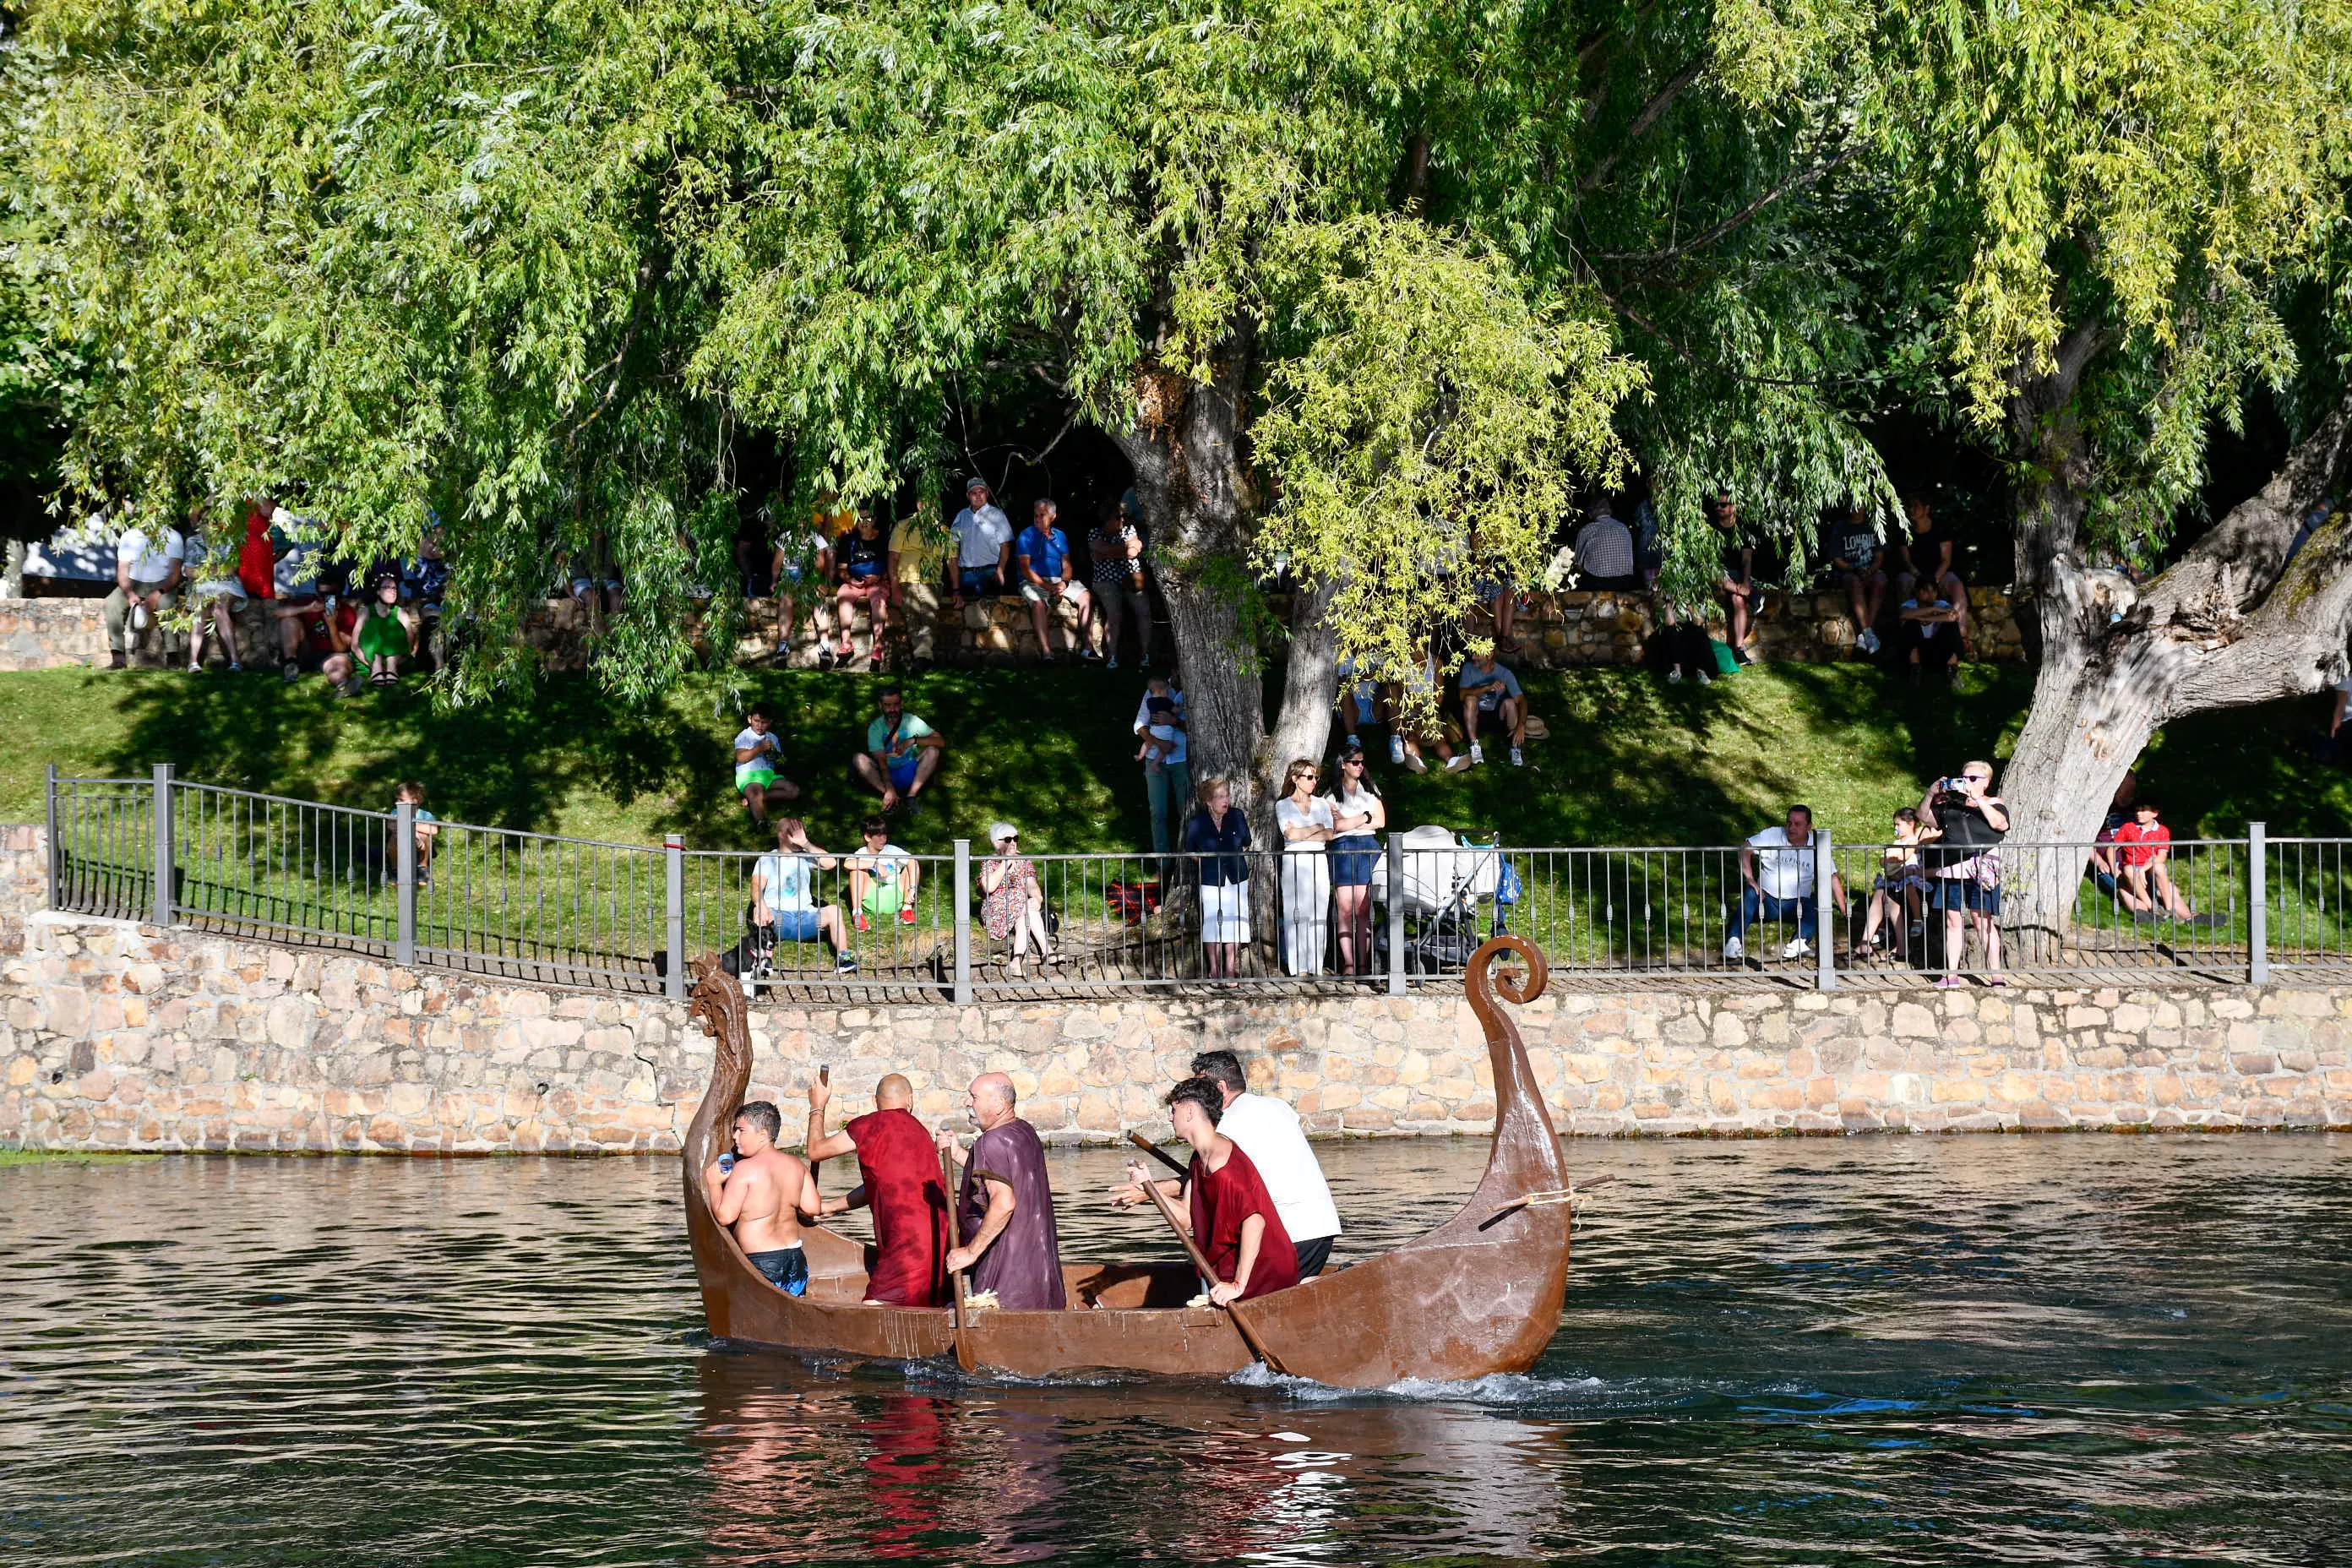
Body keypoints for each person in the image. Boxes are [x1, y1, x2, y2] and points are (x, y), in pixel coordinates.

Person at [1123, 1076, 1298, 1304]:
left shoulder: (1223, 1164)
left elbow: (1255, 1222)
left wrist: (1238, 1285)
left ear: (1190, 1111)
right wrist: (1149, 1187)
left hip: (1262, 1276)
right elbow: (1185, 1219)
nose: (1170, 1117)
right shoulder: (1199, 1158)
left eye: (1173, 1110)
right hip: (1224, 1272)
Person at [803, 1072, 949, 1307]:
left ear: (874, 1102)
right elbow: (878, 1184)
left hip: (907, 1249)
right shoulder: (921, 1132)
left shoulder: (870, 1125)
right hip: (942, 1243)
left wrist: (817, 1106)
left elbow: (816, 1151)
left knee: (873, 1309)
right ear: (910, 1101)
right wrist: (831, 1207)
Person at [937, 1072, 1066, 1310]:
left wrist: (970, 1252)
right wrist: (956, 1154)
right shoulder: (1024, 1132)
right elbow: (998, 1176)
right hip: (1039, 1277)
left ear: (998, 1105)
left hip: (1007, 1279)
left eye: (973, 1097)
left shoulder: (990, 1141)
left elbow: (1004, 1202)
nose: (967, 1103)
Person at [702, 1099, 816, 1296]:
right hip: (796, 1259)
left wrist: (713, 1183)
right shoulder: (797, 1165)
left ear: (763, 1134)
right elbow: (813, 1208)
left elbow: (725, 1216)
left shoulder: (745, 1169)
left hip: (763, 1263)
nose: (735, 1137)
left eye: (741, 1131)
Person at [1919, 760, 2009, 988]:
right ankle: (1951, 975)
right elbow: (1923, 816)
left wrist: (1977, 800)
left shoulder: (1994, 803)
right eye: (1963, 777)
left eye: (1973, 779)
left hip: (1981, 871)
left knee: (1982, 921)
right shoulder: (1951, 805)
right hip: (1951, 870)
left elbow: (2001, 825)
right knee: (1952, 921)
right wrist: (1931, 793)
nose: (1966, 782)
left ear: (1986, 782)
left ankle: (1996, 976)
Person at [1723, 804, 1848, 963]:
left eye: (1798, 824)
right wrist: (1750, 879)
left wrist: (1844, 909)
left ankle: (1798, 942)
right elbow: (1745, 848)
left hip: (1797, 904)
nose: (1791, 828)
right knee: (1750, 893)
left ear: (1809, 827)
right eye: (1789, 823)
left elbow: (1832, 877)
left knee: (1817, 903)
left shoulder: (1817, 845)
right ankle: (1733, 942)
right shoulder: (1773, 834)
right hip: (1767, 900)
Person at [749, 819, 855, 976]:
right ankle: (761, 960)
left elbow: (831, 863)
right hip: (777, 918)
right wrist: (761, 904)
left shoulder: (806, 856)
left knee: (834, 911)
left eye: (801, 831)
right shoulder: (767, 859)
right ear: (782, 836)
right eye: (793, 832)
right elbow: (756, 886)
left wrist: (805, 843)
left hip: (805, 917)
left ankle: (844, 959)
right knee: (758, 910)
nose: (798, 835)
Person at [1324, 738, 1386, 977]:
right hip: (1342, 849)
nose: (1360, 766)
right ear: (1343, 765)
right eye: (1355, 762)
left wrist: (1355, 820)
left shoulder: (1370, 791)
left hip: (1367, 847)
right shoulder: (1331, 796)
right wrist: (1364, 818)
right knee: (1344, 909)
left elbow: (1381, 820)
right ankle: (1349, 963)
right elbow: (1335, 826)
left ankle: (1363, 963)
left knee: (1363, 909)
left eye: (1361, 762)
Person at [1184, 777, 1252, 979]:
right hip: (1211, 878)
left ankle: (1230, 969)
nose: (1226, 800)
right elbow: (1191, 851)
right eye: (1221, 796)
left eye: (1227, 795)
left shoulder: (1237, 816)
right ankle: (1214, 969)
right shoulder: (1198, 823)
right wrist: (1209, 864)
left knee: (1235, 920)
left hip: (1237, 876)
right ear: (1208, 801)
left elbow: (1246, 843)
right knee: (1212, 921)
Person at [1273, 758, 1334, 976]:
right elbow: (1290, 834)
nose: (1314, 781)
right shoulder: (1283, 805)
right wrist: (1315, 827)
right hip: (1295, 860)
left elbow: (1329, 833)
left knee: (1318, 910)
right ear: (1295, 779)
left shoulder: (1321, 804)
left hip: (1318, 858)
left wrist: (1306, 831)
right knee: (1296, 910)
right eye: (1309, 777)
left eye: (1316, 777)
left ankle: (1315, 965)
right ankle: (1297, 966)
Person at [103, 511, 186, 669]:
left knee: (166, 606)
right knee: (112, 604)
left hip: (163, 582)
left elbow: (175, 576)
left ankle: (173, 655)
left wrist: (158, 593)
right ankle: (118, 657)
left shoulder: (173, 537)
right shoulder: (129, 536)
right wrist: (129, 593)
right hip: (134, 582)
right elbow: (122, 571)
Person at [1015, 498, 1092, 663]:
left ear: (1053, 516)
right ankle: (1047, 654)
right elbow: (1025, 569)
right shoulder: (1026, 535)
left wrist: (1064, 583)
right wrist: (1047, 586)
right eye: (1035, 515)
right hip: (1034, 580)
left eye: (1042, 515)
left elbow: (1067, 565)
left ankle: (1088, 648)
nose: (1037, 519)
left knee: (1085, 596)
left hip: (1058, 579)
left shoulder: (1060, 536)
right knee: (1038, 603)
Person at [1892, 496, 1972, 657]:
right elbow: (1906, 561)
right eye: (1910, 506)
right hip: (1916, 575)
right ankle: (1904, 632)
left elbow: (1946, 560)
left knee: (1956, 584)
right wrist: (1920, 579)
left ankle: (1962, 637)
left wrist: (1934, 581)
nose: (1911, 510)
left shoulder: (1940, 528)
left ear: (1927, 508)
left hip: (1940, 574)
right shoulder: (1905, 529)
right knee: (1902, 580)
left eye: (1916, 505)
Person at [979, 820, 1055, 977]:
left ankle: (1016, 962)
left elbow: (1031, 885)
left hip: (1020, 908)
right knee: (1026, 910)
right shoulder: (989, 862)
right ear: (996, 843)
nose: (1013, 843)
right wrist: (1006, 863)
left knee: (1028, 913)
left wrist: (1038, 898)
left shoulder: (1023, 861)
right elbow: (989, 887)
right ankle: (1047, 951)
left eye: (1016, 839)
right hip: (997, 910)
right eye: (1008, 839)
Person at [1856, 806, 1932, 961]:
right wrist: (1887, 859)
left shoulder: (1912, 841)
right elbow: (1884, 859)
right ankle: (1867, 939)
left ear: (1910, 824)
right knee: (1879, 893)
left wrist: (1889, 859)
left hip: (1909, 877)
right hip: (1895, 878)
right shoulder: (1897, 842)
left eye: (1898, 824)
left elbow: (1902, 856)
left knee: (1899, 891)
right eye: (1895, 825)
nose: (1896, 828)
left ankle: (1915, 921)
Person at [854, 686, 945, 814]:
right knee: (859, 759)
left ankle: (910, 797)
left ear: (902, 704)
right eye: (887, 705)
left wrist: (912, 741)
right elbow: (881, 761)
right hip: (885, 773)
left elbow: (940, 741)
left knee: (933, 751)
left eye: (896, 705)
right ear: (880, 705)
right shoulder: (876, 727)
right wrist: (889, 786)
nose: (892, 710)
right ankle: (891, 796)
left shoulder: (912, 720)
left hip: (909, 770)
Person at [2111, 800, 2203, 922]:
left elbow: (2162, 856)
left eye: (2143, 810)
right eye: (2137, 810)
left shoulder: (2162, 831)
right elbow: (2112, 847)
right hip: (2133, 872)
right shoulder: (2129, 827)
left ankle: (2175, 912)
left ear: (2155, 813)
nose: (2139, 813)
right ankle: (2153, 909)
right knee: (2128, 871)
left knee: (2161, 871)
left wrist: (2143, 869)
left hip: (2150, 870)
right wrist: (2114, 869)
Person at [1086, 500, 1152, 669]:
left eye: (1123, 516)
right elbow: (1103, 553)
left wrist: (1109, 551)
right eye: (1118, 517)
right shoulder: (1095, 532)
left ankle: (1146, 655)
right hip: (1105, 580)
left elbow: (1131, 553)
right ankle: (1113, 656)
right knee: (1114, 613)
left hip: (1131, 577)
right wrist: (1124, 547)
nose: (1123, 519)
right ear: (1107, 519)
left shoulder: (1129, 529)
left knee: (1143, 611)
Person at [1133, 678, 1191, 855]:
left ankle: (1188, 859)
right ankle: (1162, 863)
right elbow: (1140, 725)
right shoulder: (1156, 690)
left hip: (1181, 758)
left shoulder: (1195, 686)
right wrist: (1158, 743)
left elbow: (1202, 727)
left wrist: (1174, 721)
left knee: (1187, 812)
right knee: (1158, 814)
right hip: (1155, 757)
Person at [184, 516, 250, 672]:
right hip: (201, 586)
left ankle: (235, 661)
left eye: (213, 521)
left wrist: (203, 571)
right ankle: (193, 662)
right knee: (200, 610)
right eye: (205, 521)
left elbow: (231, 569)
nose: (210, 524)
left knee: (220, 609)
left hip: (228, 584)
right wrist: (215, 570)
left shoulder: (230, 540)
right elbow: (188, 571)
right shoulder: (192, 542)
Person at [829, 509, 893, 669]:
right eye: (860, 518)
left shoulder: (884, 539)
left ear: (875, 519)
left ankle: (878, 646)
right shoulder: (849, 540)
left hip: (878, 581)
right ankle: (846, 644)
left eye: (868, 518)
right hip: (855, 582)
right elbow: (841, 568)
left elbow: (891, 566)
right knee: (843, 595)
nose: (864, 522)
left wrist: (878, 577)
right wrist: (849, 579)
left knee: (878, 600)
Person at [889, 514, 953, 672]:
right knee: (912, 621)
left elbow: (952, 560)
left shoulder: (943, 530)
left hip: (932, 581)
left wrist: (956, 590)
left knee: (928, 619)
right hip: (907, 581)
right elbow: (893, 558)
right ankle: (924, 660)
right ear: (918, 503)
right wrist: (895, 587)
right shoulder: (903, 525)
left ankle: (921, 660)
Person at [1824, 504, 1886, 655]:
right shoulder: (1841, 527)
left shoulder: (1873, 525)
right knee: (1854, 582)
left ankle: (1865, 634)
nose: (1856, 508)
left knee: (1881, 580)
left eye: (1860, 505)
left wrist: (1871, 570)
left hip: (1870, 571)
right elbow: (1837, 559)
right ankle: (1868, 633)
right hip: (1848, 572)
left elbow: (1879, 557)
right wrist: (1853, 569)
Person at [770, 520, 834, 666]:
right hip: (789, 580)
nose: (801, 525)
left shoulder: (817, 539)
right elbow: (777, 564)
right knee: (786, 597)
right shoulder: (785, 537)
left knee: (819, 597)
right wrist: (774, 581)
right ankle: (783, 646)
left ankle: (825, 647)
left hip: (810, 579)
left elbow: (819, 567)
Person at [846, 817, 922, 931]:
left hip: (896, 895)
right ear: (867, 837)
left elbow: (912, 861)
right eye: (879, 836)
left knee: (911, 863)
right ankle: (857, 914)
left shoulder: (891, 850)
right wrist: (874, 864)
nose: (883, 839)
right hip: (872, 897)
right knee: (856, 870)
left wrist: (913, 888)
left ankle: (907, 910)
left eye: (884, 835)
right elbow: (847, 864)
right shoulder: (861, 853)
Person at [1390, 647, 1459, 773]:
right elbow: (1404, 693)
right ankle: (1415, 761)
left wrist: (1429, 714)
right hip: (1410, 711)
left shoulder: (1436, 662)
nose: (1411, 649)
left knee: (1439, 739)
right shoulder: (1402, 662)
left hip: (1430, 710)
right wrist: (1418, 715)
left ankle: (1452, 760)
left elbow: (1439, 695)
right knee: (1410, 737)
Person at [1456, 650, 1527, 768]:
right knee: (1470, 699)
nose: (1473, 657)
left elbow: (1521, 701)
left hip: (1496, 716)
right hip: (1475, 716)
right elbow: (1461, 695)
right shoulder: (1468, 668)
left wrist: (1521, 725)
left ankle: (1515, 748)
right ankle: (1474, 744)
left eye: (1477, 654)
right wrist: (1487, 688)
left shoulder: (1504, 673)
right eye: (1472, 653)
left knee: (1510, 703)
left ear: (1489, 655)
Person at [731, 707, 800, 828]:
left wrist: (774, 755)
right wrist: (759, 749)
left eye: (764, 722)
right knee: (755, 792)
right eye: (757, 721)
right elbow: (740, 758)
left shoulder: (772, 737)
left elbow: (779, 761)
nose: (760, 725)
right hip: (749, 775)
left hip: (768, 775)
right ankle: (762, 822)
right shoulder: (744, 736)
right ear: (749, 719)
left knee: (794, 791)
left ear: (770, 722)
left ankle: (753, 798)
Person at [1711, 493, 1760, 663]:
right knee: (1719, 577)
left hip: (1737, 576)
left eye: (1723, 505)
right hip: (1717, 573)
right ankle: (1752, 596)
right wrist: (1742, 587)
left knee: (1738, 601)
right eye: (1716, 504)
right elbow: (1711, 564)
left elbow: (1746, 559)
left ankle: (1738, 649)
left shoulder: (1742, 529)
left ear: (1734, 507)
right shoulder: (1710, 529)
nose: (1718, 507)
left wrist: (1746, 581)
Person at [950, 476, 1014, 605]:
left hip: (990, 572)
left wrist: (1000, 571)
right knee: (970, 614)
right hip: (967, 574)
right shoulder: (961, 516)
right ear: (968, 495)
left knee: (994, 612)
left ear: (987, 494)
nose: (978, 496)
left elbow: (1005, 545)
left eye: (982, 492)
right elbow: (952, 547)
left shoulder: (997, 514)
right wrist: (955, 587)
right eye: (974, 493)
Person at [1892, 581, 1963, 687]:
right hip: (1917, 648)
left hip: (1937, 648)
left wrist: (1928, 618)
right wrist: (1933, 609)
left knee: (1952, 626)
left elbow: (1954, 616)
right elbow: (1903, 615)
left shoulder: (1942, 604)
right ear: (1917, 592)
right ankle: (1915, 669)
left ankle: (1952, 670)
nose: (1930, 594)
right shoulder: (1909, 604)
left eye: (1933, 591)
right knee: (1911, 623)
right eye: (1925, 591)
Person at [352, 571, 415, 686]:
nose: (393, 591)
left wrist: (394, 662)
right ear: (378, 591)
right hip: (368, 658)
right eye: (387, 587)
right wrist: (374, 664)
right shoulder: (366, 611)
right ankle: (376, 667)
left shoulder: (400, 612)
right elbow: (355, 644)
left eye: (395, 588)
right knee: (374, 624)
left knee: (393, 624)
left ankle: (391, 667)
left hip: (396, 658)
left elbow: (410, 640)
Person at [1573, 498, 1640, 591]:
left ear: (1590, 514)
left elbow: (1579, 566)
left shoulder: (1587, 530)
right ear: (1610, 511)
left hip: (1598, 584)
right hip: (1625, 583)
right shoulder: (1623, 528)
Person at [389, 780, 439, 885]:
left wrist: (412, 826)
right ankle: (395, 870)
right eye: (397, 799)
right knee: (393, 838)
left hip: (421, 845)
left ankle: (423, 867)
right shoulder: (395, 812)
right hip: (400, 842)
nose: (397, 802)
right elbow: (390, 825)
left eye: (401, 800)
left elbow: (434, 830)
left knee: (425, 835)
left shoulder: (425, 815)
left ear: (415, 800)